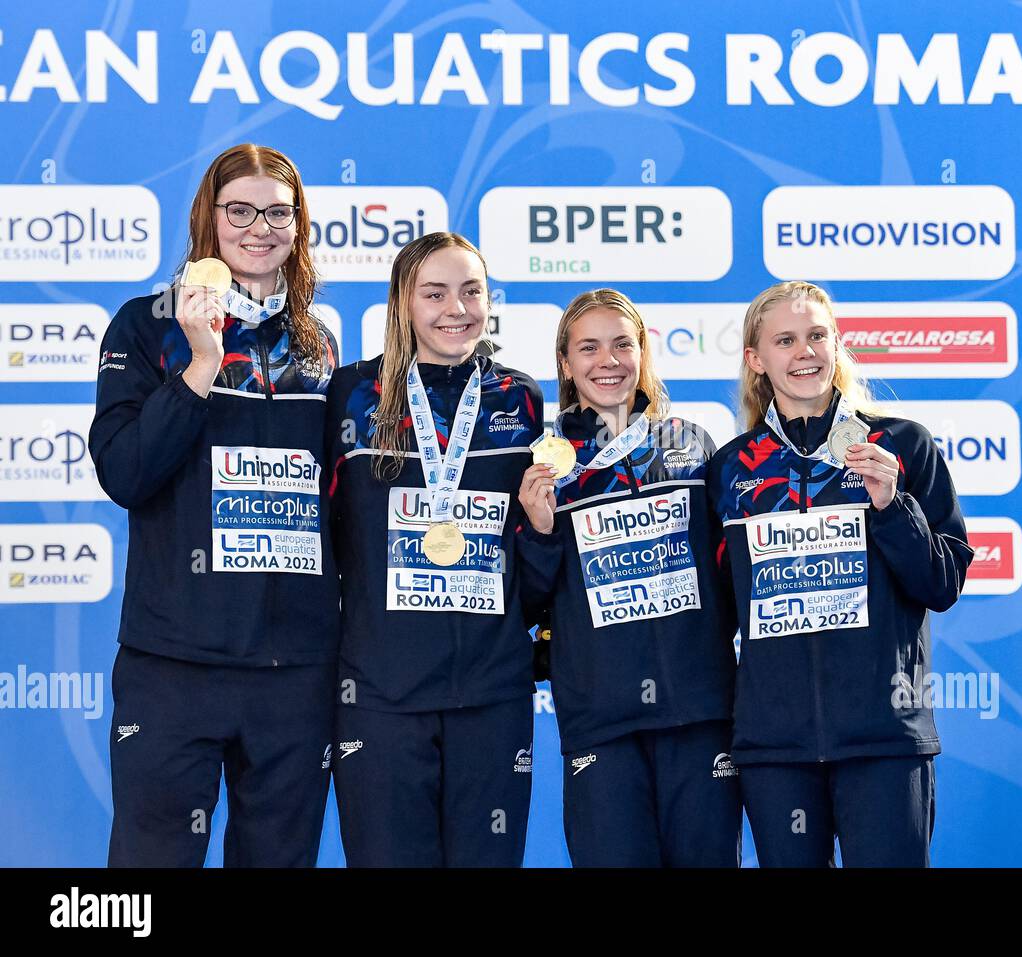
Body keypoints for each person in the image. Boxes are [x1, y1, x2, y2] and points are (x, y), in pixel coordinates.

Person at [89, 143, 340, 866]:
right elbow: (125, 472)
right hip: (174, 663)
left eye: (278, 212)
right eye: (240, 209)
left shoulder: (315, 343)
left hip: (293, 669)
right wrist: (201, 364)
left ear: (299, 226)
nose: (260, 227)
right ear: (208, 217)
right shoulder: (144, 325)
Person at [707, 280, 974, 867]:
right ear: (756, 359)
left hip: (882, 735)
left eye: (816, 336)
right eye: (785, 340)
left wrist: (891, 504)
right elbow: (714, 612)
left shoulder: (902, 445)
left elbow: (942, 583)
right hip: (776, 748)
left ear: (836, 345)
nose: (804, 352)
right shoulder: (729, 471)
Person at [325, 232, 543, 866]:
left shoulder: (520, 398)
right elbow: (317, 532)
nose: (457, 308)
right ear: (402, 302)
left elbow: (528, 544)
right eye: (435, 293)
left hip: (492, 692)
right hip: (380, 693)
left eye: (471, 291)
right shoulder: (351, 394)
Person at [516, 288, 740, 868]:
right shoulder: (544, 462)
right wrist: (539, 533)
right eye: (588, 348)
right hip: (600, 719)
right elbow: (525, 604)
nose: (607, 361)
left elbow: (730, 578)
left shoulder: (692, 445)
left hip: (699, 712)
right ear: (565, 364)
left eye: (622, 344)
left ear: (643, 353)